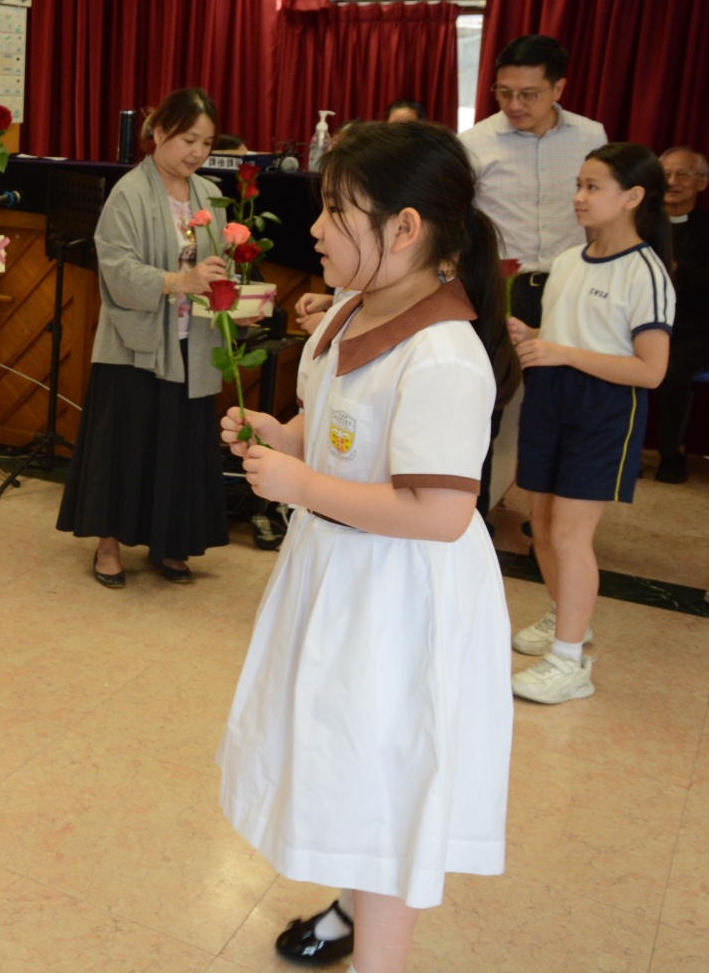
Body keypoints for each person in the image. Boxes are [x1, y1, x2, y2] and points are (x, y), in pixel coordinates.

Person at [222, 119, 519, 973]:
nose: (315, 228)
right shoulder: (350, 310)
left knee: (386, 787)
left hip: (400, 599)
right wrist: (283, 437)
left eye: (335, 210)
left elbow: (439, 512)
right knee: (343, 760)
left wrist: (301, 485)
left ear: (405, 228)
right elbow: (335, 430)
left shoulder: (445, 357)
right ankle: (352, 905)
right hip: (342, 575)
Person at [507, 142, 673, 704]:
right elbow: (569, 337)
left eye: (593, 187)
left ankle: (569, 662)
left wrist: (562, 353)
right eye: (578, 185)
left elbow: (651, 370)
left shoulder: (646, 272)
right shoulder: (569, 260)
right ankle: (566, 617)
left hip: (603, 409)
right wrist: (532, 338)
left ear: (633, 197)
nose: (579, 197)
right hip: (550, 400)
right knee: (542, 525)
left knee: (570, 534)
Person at [59, 87, 232, 586]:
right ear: (158, 132)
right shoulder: (130, 192)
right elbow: (116, 268)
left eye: (206, 142)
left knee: (179, 445)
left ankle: (170, 542)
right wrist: (179, 281)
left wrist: (229, 297)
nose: (197, 152)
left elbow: (217, 263)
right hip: (137, 345)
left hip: (192, 339)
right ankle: (108, 545)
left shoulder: (208, 193)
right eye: (188, 139)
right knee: (126, 445)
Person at [458, 35, 607, 327]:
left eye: (528, 94)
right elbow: (459, 218)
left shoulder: (590, 136)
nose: (514, 105)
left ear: (558, 88)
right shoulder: (473, 143)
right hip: (502, 286)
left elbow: (600, 214)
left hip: (573, 281)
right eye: (504, 92)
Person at [653, 147, 709, 483]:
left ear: (703, 182)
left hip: (696, 330)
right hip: (643, 324)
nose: (672, 181)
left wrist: (677, 268)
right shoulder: (641, 224)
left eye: (683, 174)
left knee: (671, 369)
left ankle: (673, 452)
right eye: (666, 174)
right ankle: (621, 450)